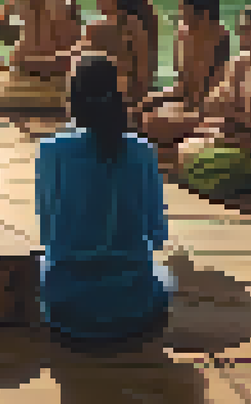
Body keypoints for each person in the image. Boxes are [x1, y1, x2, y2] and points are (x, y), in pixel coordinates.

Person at [35, 55, 173, 347]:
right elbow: (157, 234)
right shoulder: (143, 151)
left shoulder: (51, 151)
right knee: (164, 276)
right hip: (133, 305)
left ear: (73, 99)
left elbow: (47, 231)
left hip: (67, 307)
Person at [170, 4, 251, 199]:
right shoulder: (238, 64)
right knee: (185, 147)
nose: (243, 37)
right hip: (243, 140)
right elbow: (214, 104)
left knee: (198, 162)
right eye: (241, 31)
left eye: (249, 30)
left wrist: (239, 136)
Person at [138, 0, 233, 147]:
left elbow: (217, 94)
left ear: (203, 13)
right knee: (135, 112)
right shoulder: (182, 34)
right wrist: (152, 99)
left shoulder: (219, 38)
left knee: (153, 124)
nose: (179, 12)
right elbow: (181, 86)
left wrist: (189, 117)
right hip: (185, 106)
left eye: (183, 8)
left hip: (209, 111)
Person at [67, 0, 150, 109]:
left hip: (106, 100)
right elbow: (142, 77)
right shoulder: (137, 26)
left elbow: (75, 62)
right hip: (119, 99)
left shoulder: (95, 28)